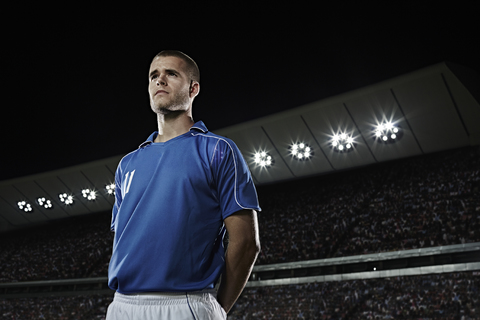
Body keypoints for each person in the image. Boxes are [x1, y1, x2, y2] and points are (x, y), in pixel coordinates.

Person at [106, 50, 261, 319]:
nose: (160, 80)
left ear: (193, 88)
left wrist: (219, 308)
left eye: (171, 74)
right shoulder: (127, 164)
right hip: (121, 305)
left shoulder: (218, 150)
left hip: (186, 303)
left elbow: (247, 242)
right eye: (154, 75)